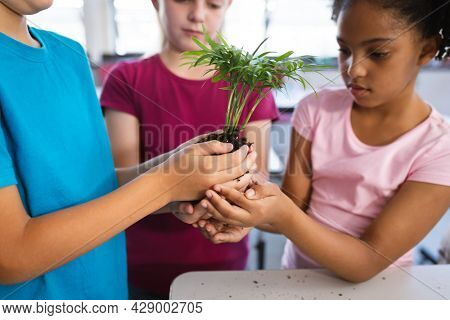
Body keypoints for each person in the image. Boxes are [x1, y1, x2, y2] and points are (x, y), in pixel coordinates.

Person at [0, 0, 255, 299]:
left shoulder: (70, 56)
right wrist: (166, 184)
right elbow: (11, 256)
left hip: (109, 294)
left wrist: (177, 174)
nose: (198, 13)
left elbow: (95, 186)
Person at [199, 0, 450, 282]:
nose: (354, 69)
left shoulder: (440, 149)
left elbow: (366, 262)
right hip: (298, 281)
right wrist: (239, 210)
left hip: (379, 292)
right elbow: (293, 208)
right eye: (345, 50)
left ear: (426, 49)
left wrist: (280, 213)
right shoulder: (315, 110)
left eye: (378, 53)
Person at [100, 0, 278, 299]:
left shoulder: (250, 82)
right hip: (142, 268)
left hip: (225, 264)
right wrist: (177, 194)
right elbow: (120, 186)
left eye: (213, 4)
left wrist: (228, 204)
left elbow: (257, 178)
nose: (197, 14)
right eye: (183, 0)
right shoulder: (127, 79)